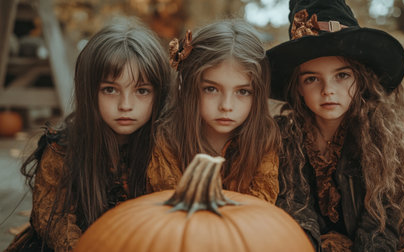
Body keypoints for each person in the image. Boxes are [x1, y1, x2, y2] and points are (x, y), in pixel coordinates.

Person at [267, 0, 404, 251]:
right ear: (297, 87)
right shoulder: (284, 137)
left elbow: (380, 225)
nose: (328, 91)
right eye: (312, 79)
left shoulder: (381, 138)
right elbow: (295, 211)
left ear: (361, 79)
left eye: (342, 76)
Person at [6, 19, 171, 251]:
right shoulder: (63, 149)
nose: (126, 105)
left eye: (141, 90)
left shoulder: (164, 149)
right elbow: (55, 221)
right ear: (89, 91)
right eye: (110, 90)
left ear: (159, 93)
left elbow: (172, 213)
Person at [147, 20, 281, 203]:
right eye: (211, 89)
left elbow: (259, 210)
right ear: (190, 87)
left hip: (246, 230)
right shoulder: (168, 138)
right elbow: (173, 210)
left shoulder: (263, 139)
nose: (226, 105)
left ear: (257, 95)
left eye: (242, 91)